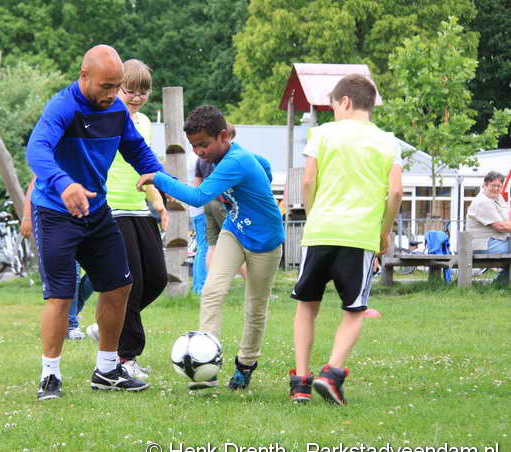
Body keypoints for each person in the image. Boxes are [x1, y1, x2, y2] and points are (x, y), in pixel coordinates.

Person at [26, 44, 168, 400]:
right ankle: (50, 376)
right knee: (61, 295)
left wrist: (162, 179)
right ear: (84, 76)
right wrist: (64, 184)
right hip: (56, 212)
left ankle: (107, 369)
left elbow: (136, 150)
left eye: (116, 86)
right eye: (106, 86)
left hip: (97, 212)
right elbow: (37, 150)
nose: (112, 94)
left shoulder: (116, 110)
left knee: (119, 286)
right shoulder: (63, 107)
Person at [137, 105, 284, 391]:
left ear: (223, 136)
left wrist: (158, 177)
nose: (199, 152)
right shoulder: (228, 157)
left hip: (265, 242)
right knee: (212, 291)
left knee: (255, 306)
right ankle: (207, 366)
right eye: (194, 146)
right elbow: (264, 164)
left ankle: (245, 365)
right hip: (235, 231)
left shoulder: (236, 161)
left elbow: (198, 196)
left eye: (203, 144)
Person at [289, 74, 403, 405]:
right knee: (354, 309)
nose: (334, 112)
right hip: (360, 235)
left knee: (307, 305)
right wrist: (384, 231)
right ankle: (332, 373)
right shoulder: (388, 142)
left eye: (334, 106)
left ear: (346, 101)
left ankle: (300, 382)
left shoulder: (322, 134)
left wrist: (313, 215)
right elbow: (395, 191)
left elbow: (308, 182)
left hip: (321, 230)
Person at [100, 59, 168, 378]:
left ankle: (108, 322)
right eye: (131, 90)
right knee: (132, 284)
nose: (137, 97)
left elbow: (145, 167)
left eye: (144, 91)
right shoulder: (105, 119)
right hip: (112, 208)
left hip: (139, 208)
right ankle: (126, 358)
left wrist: (159, 203)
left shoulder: (144, 123)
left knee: (157, 279)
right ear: (117, 89)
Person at [21, 177, 92, 339]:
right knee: (71, 274)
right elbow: (34, 183)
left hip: (89, 217)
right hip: (57, 219)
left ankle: (66, 315)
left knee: (102, 271)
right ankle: (71, 324)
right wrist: (27, 217)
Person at [196, 123, 247, 281]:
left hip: (207, 203)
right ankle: (250, 281)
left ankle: (211, 283)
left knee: (212, 246)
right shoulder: (225, 159)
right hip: (221, 203)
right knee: (237, 245)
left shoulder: (201, 159)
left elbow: (198, 182)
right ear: (225, 137)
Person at [466, 170, 511, 284]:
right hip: (483, 244)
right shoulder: (483, 202)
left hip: (495, 241)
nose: (496, 188)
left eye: (499, 186)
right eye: (493, 185)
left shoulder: (497, 198)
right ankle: (500, 282)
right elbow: (500, 226)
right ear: (485, 185)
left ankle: (501, 282)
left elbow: (506, 221)